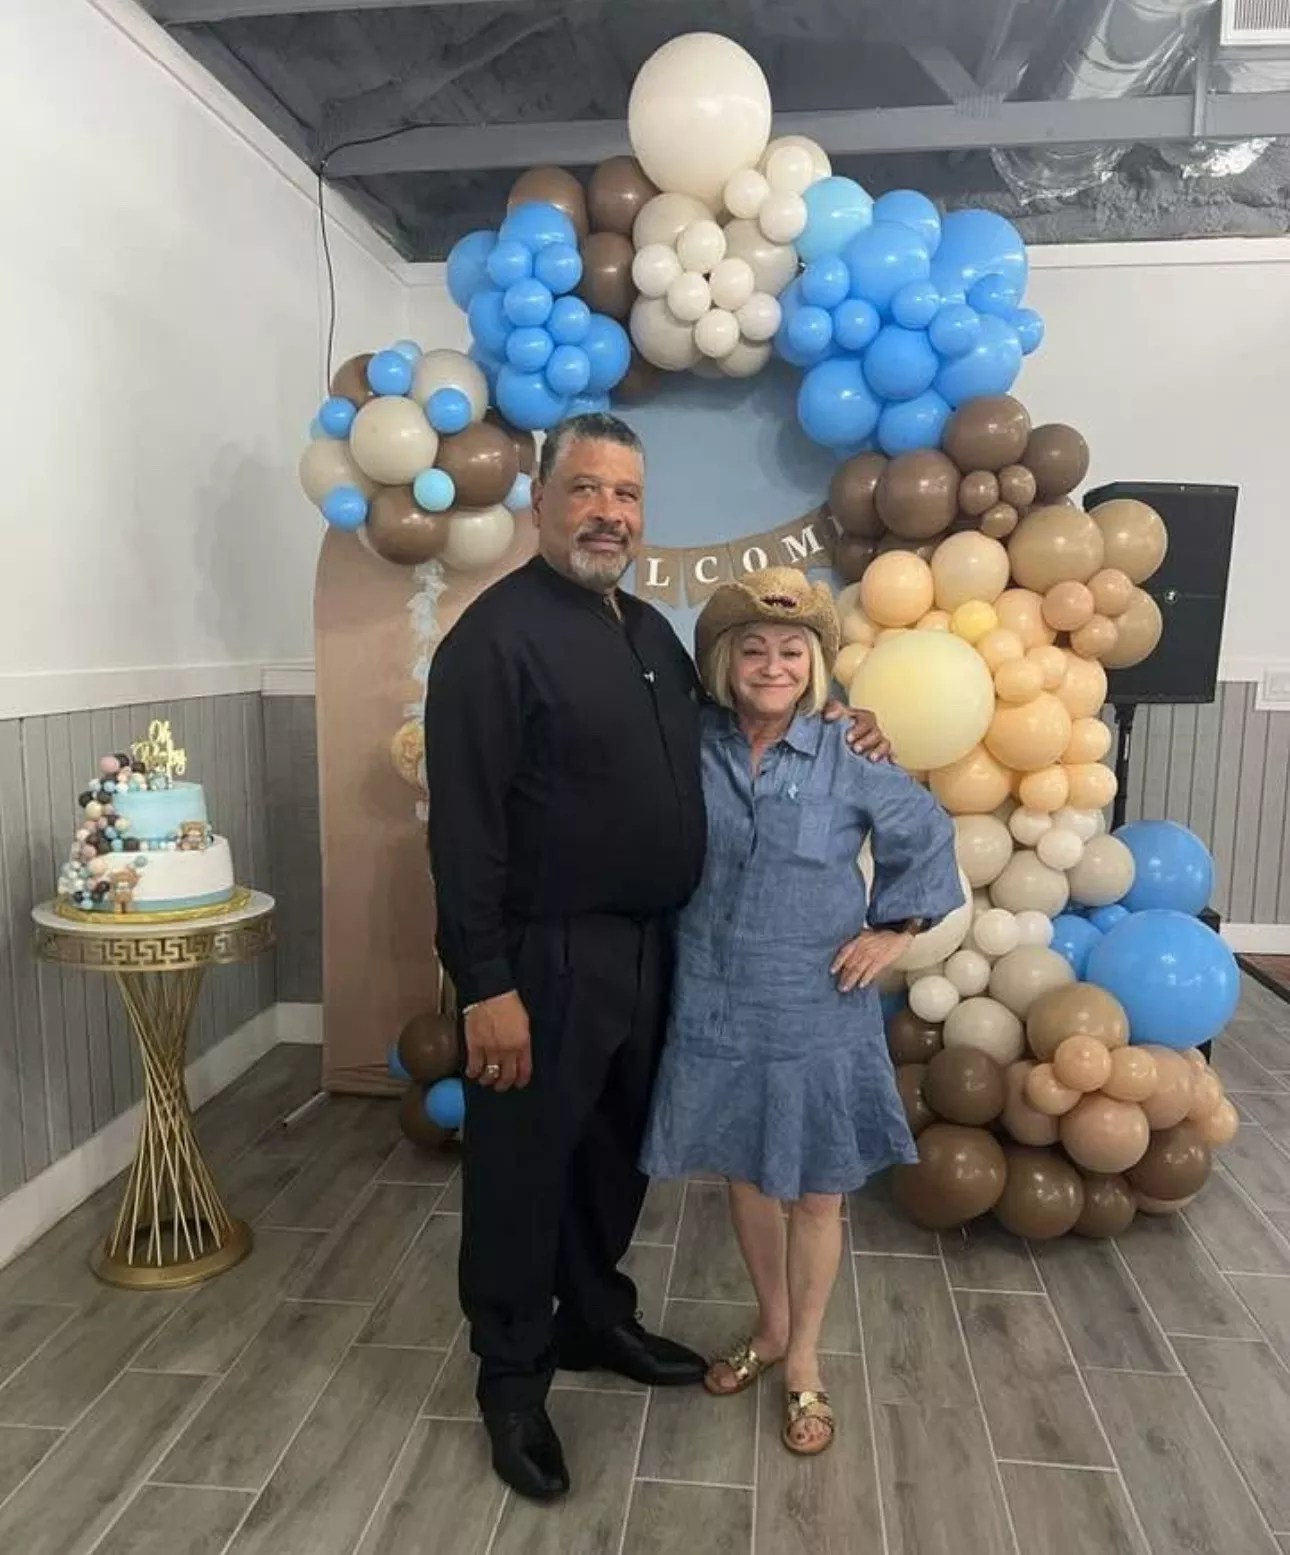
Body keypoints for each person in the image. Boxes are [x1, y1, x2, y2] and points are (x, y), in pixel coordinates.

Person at [424, 413, 888, 1502]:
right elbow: (464, 837)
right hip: (543, 960)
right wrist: (485, 984)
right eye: (585, 489)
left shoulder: (646, 630)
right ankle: (510, 1379)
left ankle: (593, 1317)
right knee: (523, 1170)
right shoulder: (490, 645)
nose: (608, 512)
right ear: (540, 502)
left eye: (626, 495)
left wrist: (844, 724)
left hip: (656, 949)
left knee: (615, 1153)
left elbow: (736, 734)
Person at [641, 567, 962, 1456]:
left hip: (820, 1002)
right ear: (724, 661)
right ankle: (772, 1324)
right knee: (745, 1174)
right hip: (713, 991)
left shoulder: (848, 750)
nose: (773, 664)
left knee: (818, 1192)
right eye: (754, 649)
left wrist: (894, 929)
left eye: (792, 650)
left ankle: (806, 1358)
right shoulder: (689, 741)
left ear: (815, 665)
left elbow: (926, 833)